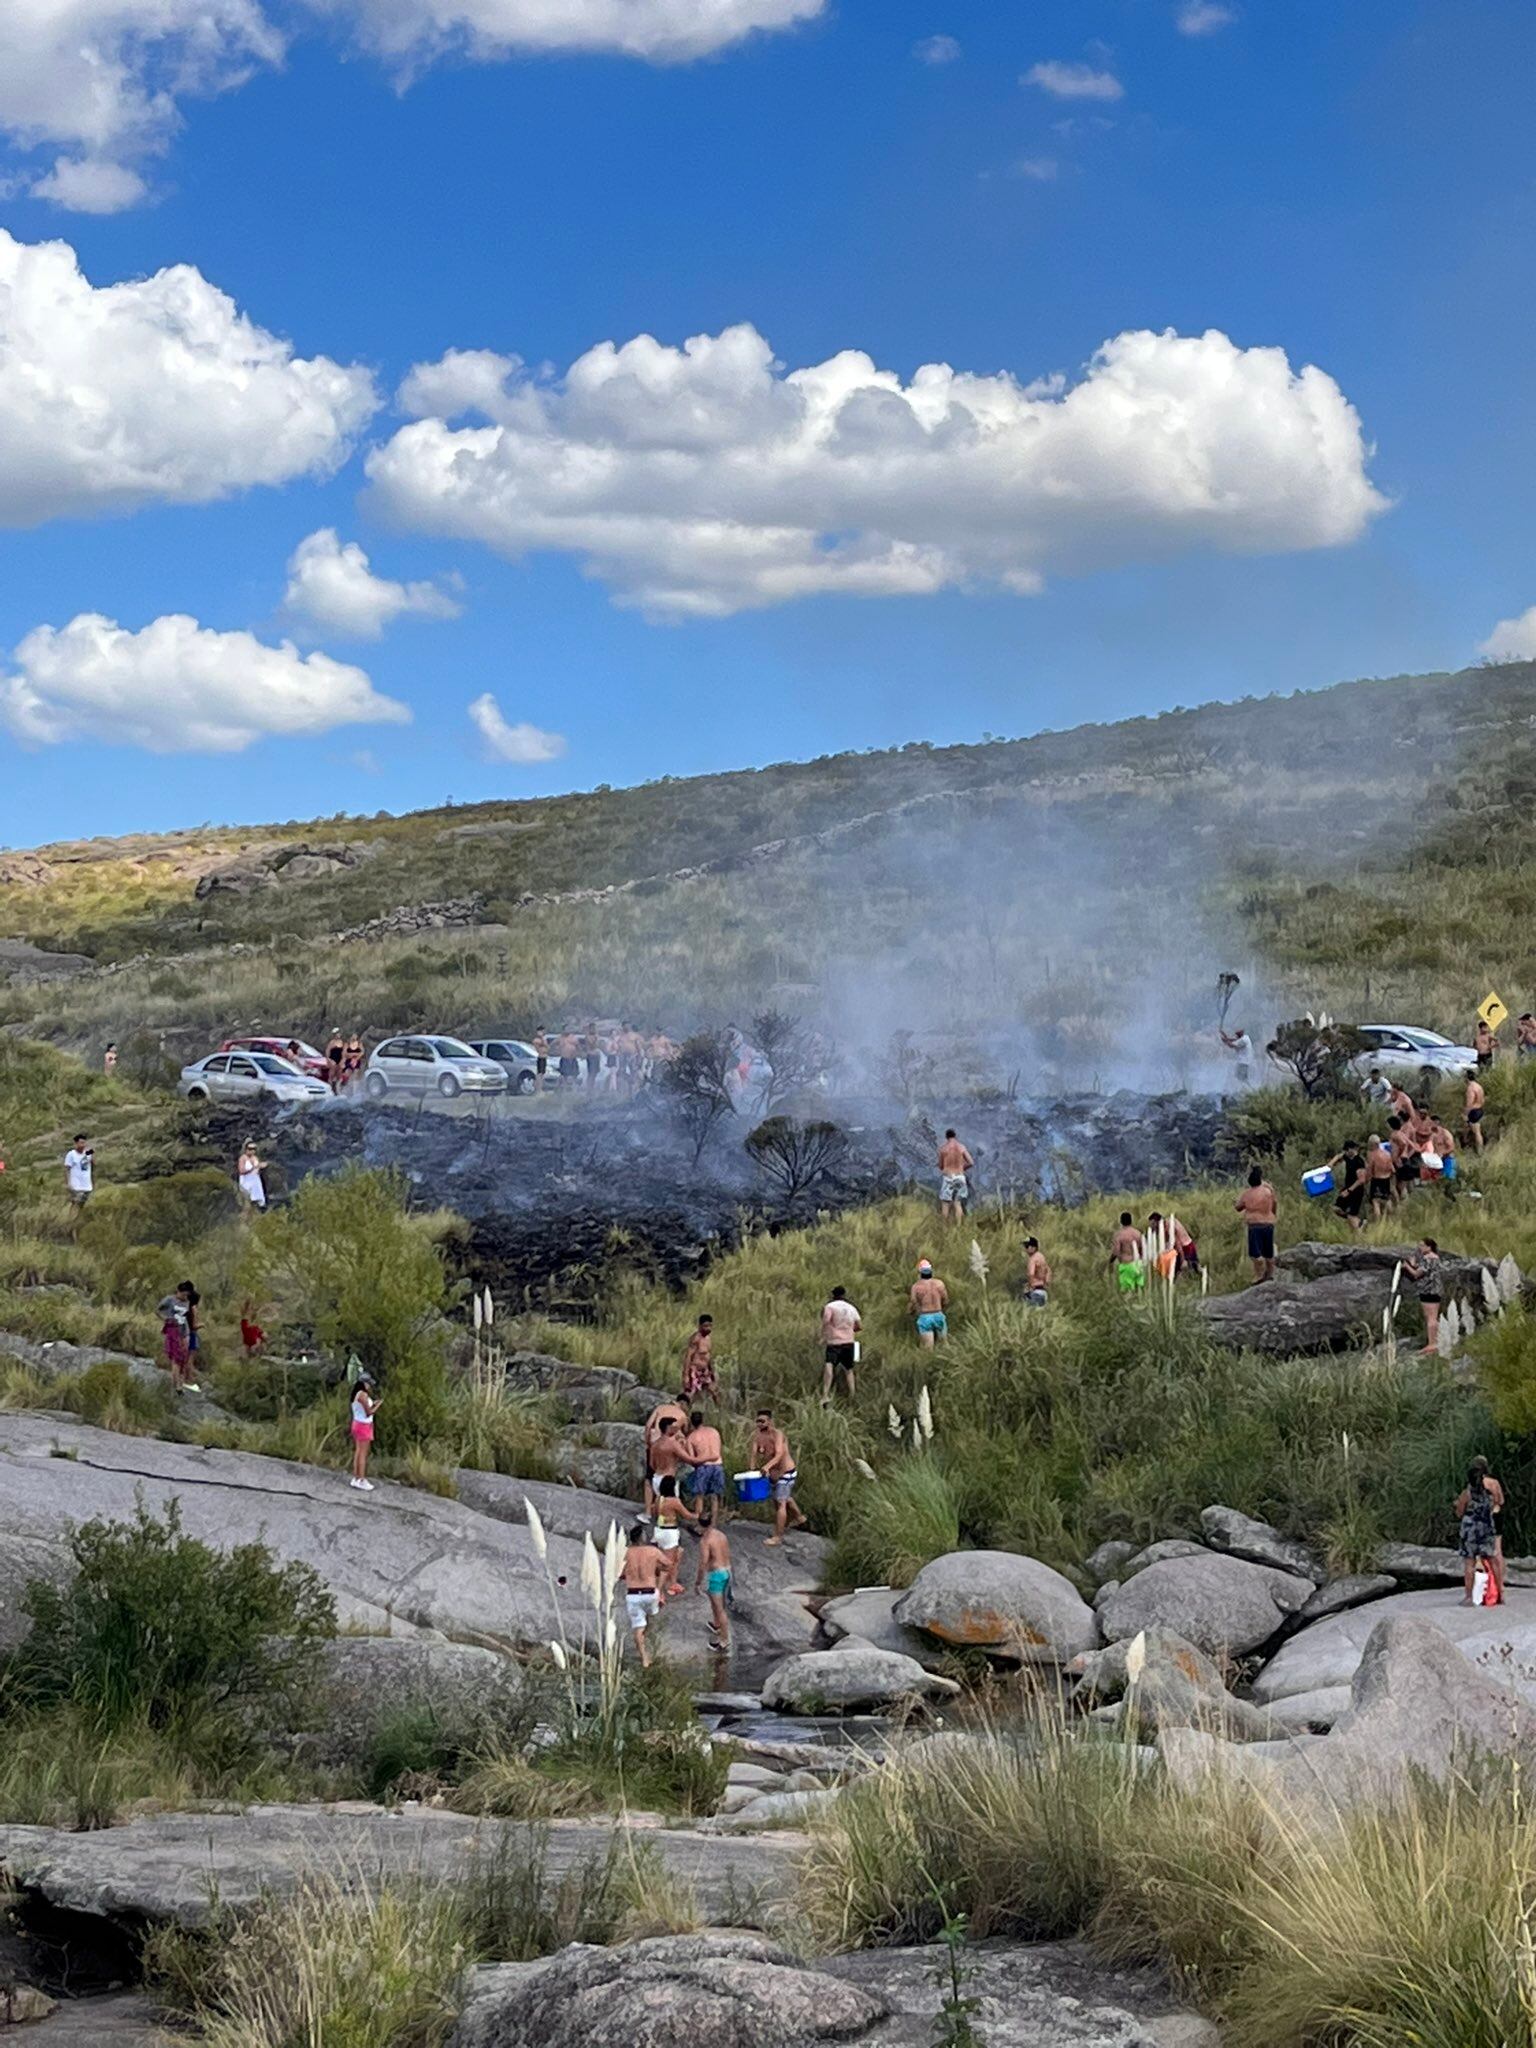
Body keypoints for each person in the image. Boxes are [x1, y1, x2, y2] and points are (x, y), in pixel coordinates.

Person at [752, 1409, 807, 1547]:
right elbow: (753, 1453)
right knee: (782, 1498)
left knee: (780, 1501)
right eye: (757, 1421)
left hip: (785, 1472)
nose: (759, 1424)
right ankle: (799, 1517)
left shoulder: (778, 1434)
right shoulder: (758, 1436)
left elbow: (779, 1454)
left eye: (762, 1421)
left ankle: (778, 1536)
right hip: (773, 1475)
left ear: (770, 1421)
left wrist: (767, 1466)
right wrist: (752, 1469)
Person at [1454, 1457, 1504, 1604]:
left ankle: (1469, 1597)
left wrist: (1458, 1504)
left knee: (1469, 1563)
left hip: (1470, 1529)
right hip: (1487, 1526)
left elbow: (1459, 1512)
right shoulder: (1493, 1485)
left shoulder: (1467, 1492)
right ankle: (1500, 1594)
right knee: (1493, 1560)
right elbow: (1500, 1501)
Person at [622, 1523, 664, 1666]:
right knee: (652, 1612)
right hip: (650, 1592)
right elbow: (667, 1565)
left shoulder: (625, 1552)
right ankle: (649, 1630)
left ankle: (644, 1658)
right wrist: (654, 1569)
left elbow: (619, 1573)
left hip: (633, 1594)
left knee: (637, 1627)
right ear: (641, 1538)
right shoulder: (653, 1551)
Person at [652, 1476, 697, 1604]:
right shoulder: (674, 1501)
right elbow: (686, 1515)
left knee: (678, 1554)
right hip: (669, 1533)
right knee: (667, 1563)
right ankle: (659, 1592)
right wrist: (697, 1515)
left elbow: (655, 1513)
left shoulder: (658, 1499)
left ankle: (673, 1583)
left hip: (659, 1531)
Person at [645, 1411, 697, 1516]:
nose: (675, 1429)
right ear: (667, 1428)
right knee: (671, 1509)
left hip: (656, 1478)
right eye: (673, 1427)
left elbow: (651, 1464)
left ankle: (653, 1520)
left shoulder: (654, 1445)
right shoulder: (673, 1444)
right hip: (668, 1480)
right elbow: (688, 1459)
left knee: (661, 1506)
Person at [695, 1509, 733, 1651]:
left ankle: (724, 1640)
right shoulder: (721, 1535)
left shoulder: (705, 1541)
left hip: (716, 1575)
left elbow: (703, 1563)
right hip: (727, 1571)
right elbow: (727, 1553)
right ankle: (716, 1624)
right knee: (715, 1601)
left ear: (700, 1524)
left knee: (719, 1608)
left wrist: (698, 1581)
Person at [1235, 1167, 1278, 1283]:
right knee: (1269, 1252)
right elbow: (1274, 1203)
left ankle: (1259, 1275)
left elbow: (1238, 1207)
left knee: (1255, 1253)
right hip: (1269, 1223)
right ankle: (1270, 1274)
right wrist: (1273, 1215)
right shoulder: (1268, 1192)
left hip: (1255, 1226)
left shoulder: (1247, 1194)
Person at [819, 1286, 861, 1401]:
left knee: (829, 1365)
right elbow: (858, 1326)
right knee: (849, 1369)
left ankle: (825, 1394)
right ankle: (852, 1394)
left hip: (834, 1342)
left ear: (833, 1295)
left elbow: (826, 1322)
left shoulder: (830, 1307)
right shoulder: (852, 1308)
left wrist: (823, 1337)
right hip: (849, 1341)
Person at [1403, 1237, 1443, 1352]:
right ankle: (1436, 1341)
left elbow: (1416, 1274)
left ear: (1429, 1247)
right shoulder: (1435, 1258)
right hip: (1435, 1289)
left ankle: (1432, 1344)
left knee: (1430, 1317)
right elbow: (1423, 1269)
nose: (1420, 1248)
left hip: (1428, 1290)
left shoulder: (1427, 1258)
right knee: (1433, 1316)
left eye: (1422, 1245)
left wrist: (1407, 1266)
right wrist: (1413, 1263)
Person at [687, 1411, 726, 1522]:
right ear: (703, 1420)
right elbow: (718, 1451)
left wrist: (700, 1459)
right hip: (718, 1465)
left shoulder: (691, 1437)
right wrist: (712, 1456)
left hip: (703, 1467)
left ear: (692, 1422)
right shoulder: (714, 1431)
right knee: (714, 1497)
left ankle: (698, 1521)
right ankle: (713, 1523)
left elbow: (692, 1459)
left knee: (700, 1495)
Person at [1146, 1211, 1199, 1278]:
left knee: (1187, 1269)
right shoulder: (1167, 1223)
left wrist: (1183, 1260)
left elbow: (1178, 1243)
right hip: (1187, 1244)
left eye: (1153, 1224)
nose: (1151, 1227)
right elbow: (1168, 1244)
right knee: (1194, 1268)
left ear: (1158, 1222)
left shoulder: (1168, 1227)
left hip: (1185, 1247)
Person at [909, 1259, 949, 1347]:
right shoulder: (939, 1284)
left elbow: (913, 1302)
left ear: (919, 1272)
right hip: (938, 1314)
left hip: (925, 1316)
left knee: (928, 1347)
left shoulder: (916, 1287)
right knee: (944, 1345)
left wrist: (911, 1312)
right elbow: (945, 1300)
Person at [1329, 1143, 1368, 1232]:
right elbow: (1339, 1156)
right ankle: (1359, 1222)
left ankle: (1360, 1234)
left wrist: (1349, 1191)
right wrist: (1330, 1164)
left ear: (1351, 1150)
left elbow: (1361, 1180)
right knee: (1336, 1208)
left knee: (1351, 1215)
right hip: (1347, 1188)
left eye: (1346, 1151)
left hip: (1356, 1191)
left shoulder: (1359, 1162)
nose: (1345, 1153)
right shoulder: (1348, 1156)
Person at [349, 1375, 379, 1491]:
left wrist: (373, 1403)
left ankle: (356, 1477)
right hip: (364, 1425)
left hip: (357, 1423)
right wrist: (377, 1406)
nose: (369, 1386)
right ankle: (361, 1479)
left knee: (358, 1451)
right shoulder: (363, 1395)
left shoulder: (356, 1394)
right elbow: (369, 1412)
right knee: (363, 1453)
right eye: (368, 1384)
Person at [937, 1131, 974, 1223]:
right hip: (960, 1176)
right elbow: (971, 1162)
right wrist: (962, 1168)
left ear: (946, 1137)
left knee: (945, 1204)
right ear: (955, 1136)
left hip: (948, 1177)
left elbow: (941, 1166)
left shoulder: (943, 1149)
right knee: (958, 1203)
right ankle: (958, 1227)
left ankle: (944, 1229)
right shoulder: (962, 1147)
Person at [159, 1288, 191, 1391]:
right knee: (176, 1358)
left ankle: (179, 1383)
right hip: (173, 1331)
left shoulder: (187, 1302)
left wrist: (187, 1334)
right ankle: (176, 1386)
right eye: (183, 1294)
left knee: (183, 1358)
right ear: (178, 1291)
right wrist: (165, 1319)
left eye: (186, 1295)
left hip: (184, 1332)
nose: (185, 1296)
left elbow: (187, 1318)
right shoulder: (170, 1299)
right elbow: (158, 1309)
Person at [681, 1314, 718, 1403]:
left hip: (705, 1371)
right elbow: (688, 1356)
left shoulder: (708, 1339)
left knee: (714, 1391)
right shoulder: (696, 1339)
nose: (708, 1328)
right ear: (700, 1326)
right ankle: (684, 1411)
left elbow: (708, 1356)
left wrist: (711, 1371)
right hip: (695, 1371)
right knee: (690, 1394)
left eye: (710, 1326)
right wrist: (686, 1375)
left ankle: (719, 1411)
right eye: (705, 1326)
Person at [1110, 1212, 1145, 1294]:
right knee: (1139, 1291)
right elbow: (1143, 1249)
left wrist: (1111, 1260)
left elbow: (1116, 1251)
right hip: (1138, 1264)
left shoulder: (1119, 1235)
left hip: (1126, 1265)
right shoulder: (1138, 1233)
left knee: (1127, 1292)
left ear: (1121, 1221)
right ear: (1131, 1221)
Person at [1366, 1133, 1396, 1219]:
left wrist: (1367, 1180)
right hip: (1386, 1179)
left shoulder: (1373, 1156)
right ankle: (1392, 1218)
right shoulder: (1387, 1154)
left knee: (1376, 1201)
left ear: (1374, 1144)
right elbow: (1393, 1169)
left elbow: (1370, 1170)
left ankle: (1378, 1222)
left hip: (1377, 1180)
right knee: (1387, 1200)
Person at [179, 1281, 202, 1391]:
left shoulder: (184, 1308)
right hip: (192, 1334)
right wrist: (201, 1325)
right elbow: (194, 1326)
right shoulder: (194, 1309)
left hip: (183, 1334)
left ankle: (183, 1379)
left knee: (185, 1357)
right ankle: (189, 1380)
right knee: (190, 1358)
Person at [64, 1133, 93, 1212]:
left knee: (82, 1205)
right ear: (76, 1143)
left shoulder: (87, 1153)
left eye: (84, 1143)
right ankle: (71, 1219)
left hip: (87, 1185)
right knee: (75, 1204)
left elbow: (93, 1163)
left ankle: (78, 1219)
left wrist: (91, 1152)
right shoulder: (71, 1154)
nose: (83, 1145)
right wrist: (68, 1183)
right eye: (81, 1143)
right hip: (76, 1185)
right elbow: (67, 1169)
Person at [236, 1141, 267, 1209]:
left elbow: (257, 1169)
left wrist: (261, 1166)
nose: (252, 1151)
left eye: (254, 1149)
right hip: (246, 1180)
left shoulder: (255, 1158)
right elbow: (241, 1170)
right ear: (246, 1149)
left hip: (255, 1180)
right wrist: (253, 1168)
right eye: (250, 1148)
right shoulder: (243, 1158)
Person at [1023, 1236, 1052, 1306]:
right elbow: (1049, 1272)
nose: (1025, 1249)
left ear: (1033, 1248)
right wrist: (1046, 1283)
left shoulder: (1033, 1259)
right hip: (1043, 1292)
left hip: (1035, 1293)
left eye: (1027, 1246)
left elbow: (1031, 1274)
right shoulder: (1041, 1257)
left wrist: (1030, 1287)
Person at [1465, 1074, 1487, 1152]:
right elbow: (1483, 1099)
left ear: (1467, 1078)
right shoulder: (1479, 1086)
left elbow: (1469, 1103)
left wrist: (1466, 1114)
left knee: (1477, 1132)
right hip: (1480, 1109)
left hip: (1473, 1111)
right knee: (1472, 1130)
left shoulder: (1470, 1088)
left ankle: (1479, 1150)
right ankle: (1471, 1146)